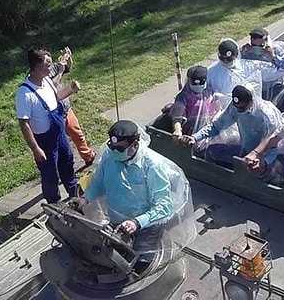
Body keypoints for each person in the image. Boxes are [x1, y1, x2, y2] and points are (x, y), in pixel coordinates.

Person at [72, 120, 185, 270]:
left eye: (120, 148)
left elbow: (164, 206)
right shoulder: (109, 156)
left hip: (146, 227)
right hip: (117, 221)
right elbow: (98, 182)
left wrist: (137, 222)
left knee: (140, 266)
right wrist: (85, 199)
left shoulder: (153, 166)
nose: (114, 151)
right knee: (111, 258)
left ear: (135, 144)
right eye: (112, 147)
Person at [15, 49, 81, 204]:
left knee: (68, 165)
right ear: (37, 67)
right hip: (45, 143)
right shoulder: (25, 94)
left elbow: (56, 98)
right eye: (48, 65)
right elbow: (24, 124)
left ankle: (76, 197)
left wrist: (71, 89)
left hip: (60, 137)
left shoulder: (47, 82)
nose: (52, 68)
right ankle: (54, 205)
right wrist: (36, 149)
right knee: (50, 176)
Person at [183, 85, 282, 166]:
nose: (238, 110)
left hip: (267, 155)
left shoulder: (266, 116)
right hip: (246, 150)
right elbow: (217, 126)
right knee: (211, 151)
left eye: (242, 108)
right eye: (237, 107)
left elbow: (273, 146)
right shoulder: (235, 107)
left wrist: (263, 162)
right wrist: (195, 137)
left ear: (251, 101)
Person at [48, 47, 95, 166]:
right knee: (59, 145)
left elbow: (67, 68)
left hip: (66, 110)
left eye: (49, 61)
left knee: (78, 136)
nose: (49, 65)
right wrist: (60, 71)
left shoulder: (54, 67)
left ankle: (89, 157)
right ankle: (62, 168)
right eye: (46, 62)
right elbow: (50, 86)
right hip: (53, 116)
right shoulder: (37, 77)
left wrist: (68, 58)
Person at [206, 38, 278, 96]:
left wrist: (274, 58)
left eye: (228, 59)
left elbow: (275, 70)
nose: (226, 61)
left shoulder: (248, 66)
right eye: (224, 59)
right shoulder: (210, 72)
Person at [163, 65, 219, 138]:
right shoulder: (183, 96)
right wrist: (177, 130)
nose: (198, 86)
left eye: (201, 83)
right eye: (195, 83)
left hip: (209, 131)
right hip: (190, 135)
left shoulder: (210, 92)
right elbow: (177, 116)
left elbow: (218, 108)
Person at [241, 28, 284, 100]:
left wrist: (273, 57)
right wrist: (241, 55)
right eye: (254, 45)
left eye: (261, 46)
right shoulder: (247, 53)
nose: (257, 48)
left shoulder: (276, 50)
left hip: (276, 86)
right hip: (256, 88)